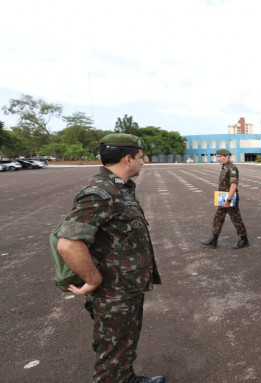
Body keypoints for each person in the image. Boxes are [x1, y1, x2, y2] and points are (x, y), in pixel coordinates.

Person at [56, 133, 165, 383]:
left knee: (125, 343)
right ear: (128, 158)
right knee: (111, 353)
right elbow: (69, 242)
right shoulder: (101, 192)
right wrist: (92, 279)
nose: (143, 162)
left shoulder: (120, 188)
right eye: (140, 157)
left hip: (126, 286)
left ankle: (127, 378)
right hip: (113, 291)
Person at [201, 148, 249, 250]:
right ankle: (214, 239)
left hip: (229, 198)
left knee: (236, 219)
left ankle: (244, 239)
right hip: (222, 197)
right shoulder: (224, 167)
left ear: (227, 156)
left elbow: (233, 186)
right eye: (217, 156)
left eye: (220, 157)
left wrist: (228, 201)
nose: (218, 159)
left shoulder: (232, 168)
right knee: (218, 217)